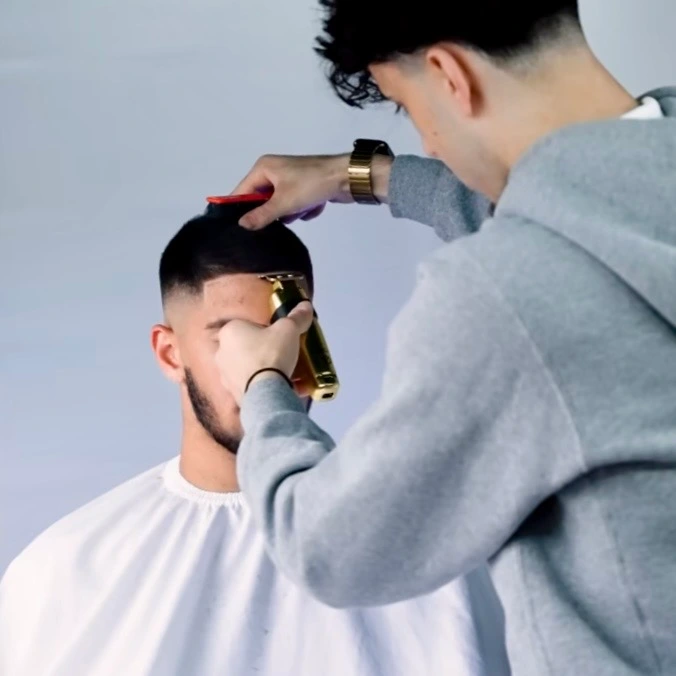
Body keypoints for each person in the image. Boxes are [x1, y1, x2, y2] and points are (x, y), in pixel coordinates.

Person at [210, 2, 676, 676]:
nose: (429, 144)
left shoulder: (499, 299)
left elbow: (330, 547)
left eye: (409, 107)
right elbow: (579, 216)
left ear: (450, 75)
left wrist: (263, 388)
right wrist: (358, 175)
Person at [0, 202, 509, 676]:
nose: (270, 361)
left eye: (289, 329)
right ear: (171, 354)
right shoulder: (65, 571)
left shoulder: (430, 549)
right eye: (232, 336)